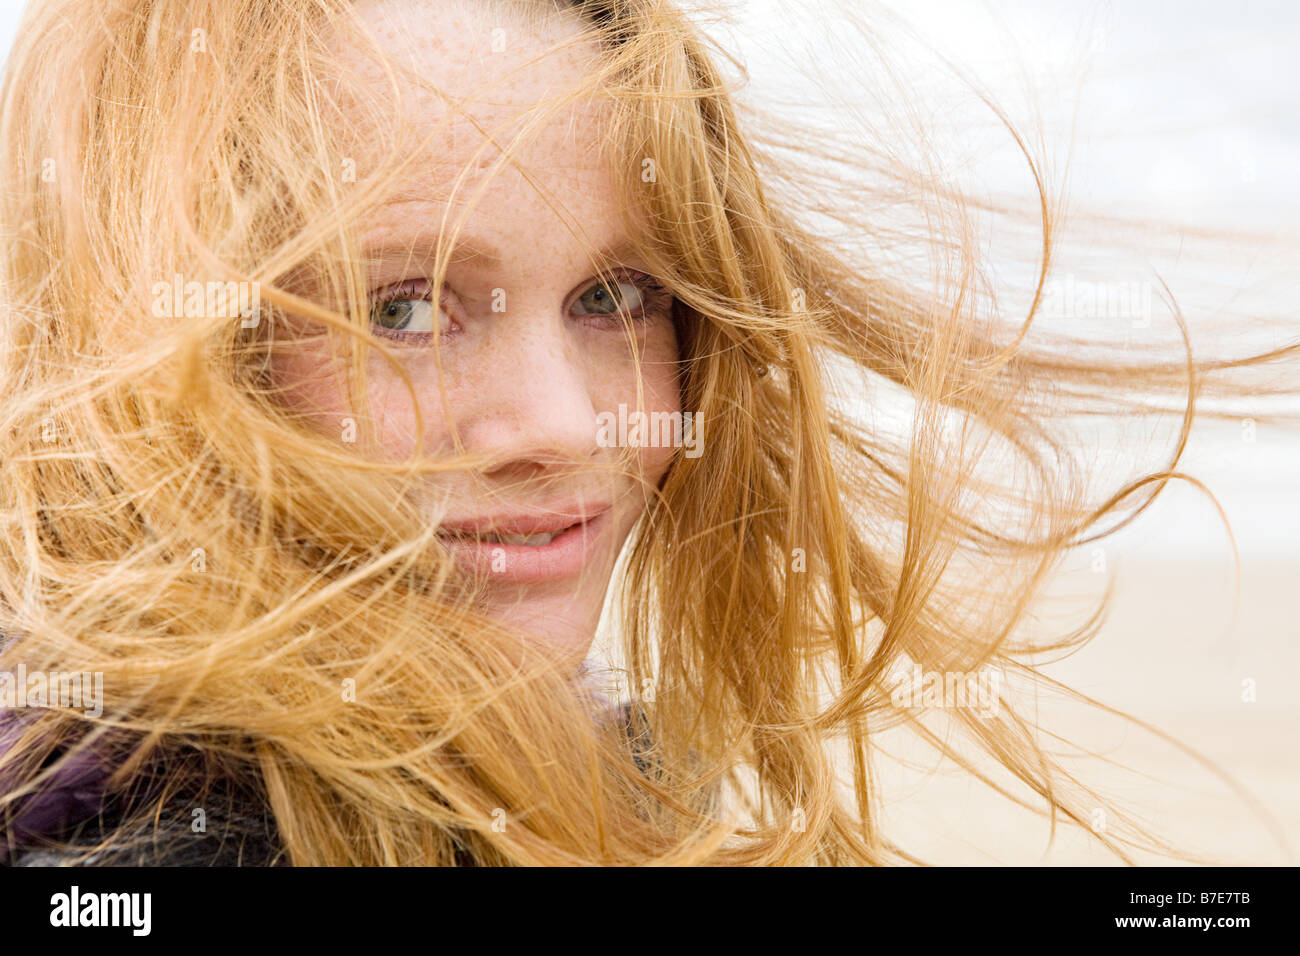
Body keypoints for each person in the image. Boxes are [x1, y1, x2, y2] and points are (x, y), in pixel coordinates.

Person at [0, 0, 1293, 866]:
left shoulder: (605, 766)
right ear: (147, 342)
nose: (567, 424)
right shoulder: (132, 840)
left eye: (615, 297)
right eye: (403, 307)